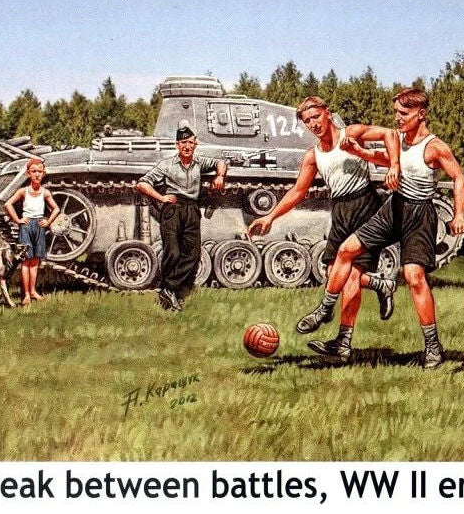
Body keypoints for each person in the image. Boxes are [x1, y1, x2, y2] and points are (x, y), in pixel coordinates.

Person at [304, 87, 464, 369]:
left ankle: (432, 346)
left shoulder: (435, 147)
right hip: (393, 208)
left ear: (421, 114)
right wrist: (361, 152)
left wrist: (459, 214)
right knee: (347, 250)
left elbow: (459, 179)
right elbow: (387, 160)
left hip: (419, 214)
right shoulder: (399, 140)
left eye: (403, 113)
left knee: (414, 276)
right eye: (396, 112)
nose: (398, 118)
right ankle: (325, 310)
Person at [248, 96, 401, 338]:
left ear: (327, 113)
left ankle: (332, 324)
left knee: (349, 274)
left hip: (364, 204)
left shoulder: (351, 133)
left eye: (316, 117)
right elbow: (298, 191)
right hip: (340, 209)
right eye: (308, 121)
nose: (313, 124)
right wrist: (270, 217)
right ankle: (381, 285)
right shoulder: (313, 155)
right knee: (334, 275)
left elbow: (390, 134)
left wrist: (393, 166)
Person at [135, 125, 228, 311]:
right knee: (173, 252)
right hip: (173, 209)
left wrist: (220, 176)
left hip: (192, 209)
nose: (187, 146)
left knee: (192, 254)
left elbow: (221, 162)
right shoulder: (167, 164)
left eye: (191, 143)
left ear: (195, 144)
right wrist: (161, 198)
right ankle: (169, 291)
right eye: (183, 142)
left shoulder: (199, 162)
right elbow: (142, 183)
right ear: (177, 144)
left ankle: (168, 289)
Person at [4, 158, 60, 305]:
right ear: (28, 173)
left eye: (39, 171)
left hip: (39, 226)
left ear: (43, 173)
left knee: (35, 261)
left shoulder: (45, 192)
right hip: (26, 226)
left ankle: (33, 291)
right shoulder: (23, 191)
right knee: (26, 261)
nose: (36, 174)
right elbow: (8, 204)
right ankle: (26, 294)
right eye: (33, 171)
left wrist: (48, 221)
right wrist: (17, 220)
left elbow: (56, 208)